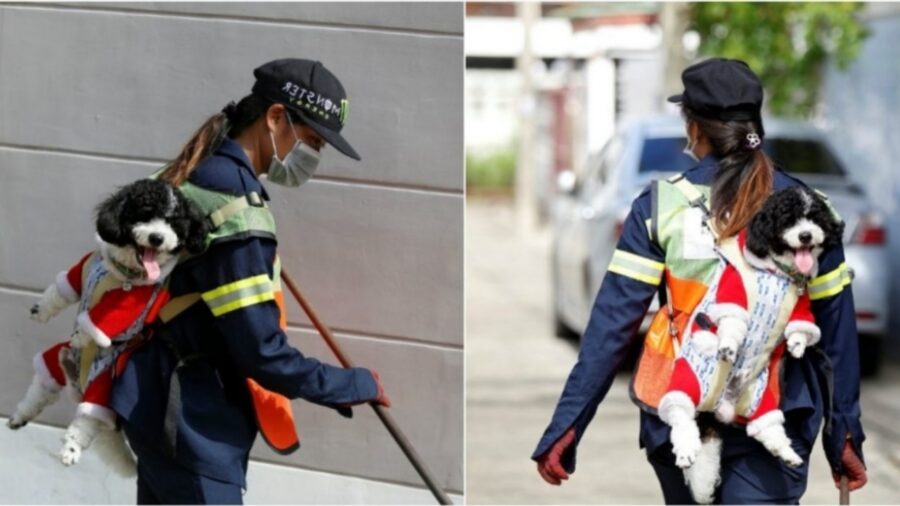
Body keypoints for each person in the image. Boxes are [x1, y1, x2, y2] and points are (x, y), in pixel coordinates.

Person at [532, 58, 868, 504]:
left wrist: (568, 424)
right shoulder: (812, 209)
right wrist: (844, 430)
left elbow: (612, 325)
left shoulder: (660, 207)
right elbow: (837, 335)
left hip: (680, 408)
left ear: (694, 128)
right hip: (774, 413)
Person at [109, 58, 389, 504]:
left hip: (151, 401)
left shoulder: (195, 171)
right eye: (312, 140)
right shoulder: (236, 207)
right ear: (275, 117)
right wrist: (352, 385)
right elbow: (262, 353)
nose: (312, 157)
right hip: (192, 425)